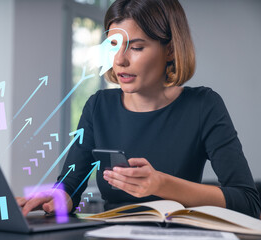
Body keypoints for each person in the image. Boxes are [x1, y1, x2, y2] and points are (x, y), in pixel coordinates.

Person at [17, 0, 261, 219]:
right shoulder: (98, 106)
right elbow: (70, 186)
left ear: (170, 50)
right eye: (114, 45)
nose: (120, 60)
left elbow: (248, 203)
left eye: (136, 47)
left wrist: (161, 184)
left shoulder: (204, 105)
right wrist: (57, 197)